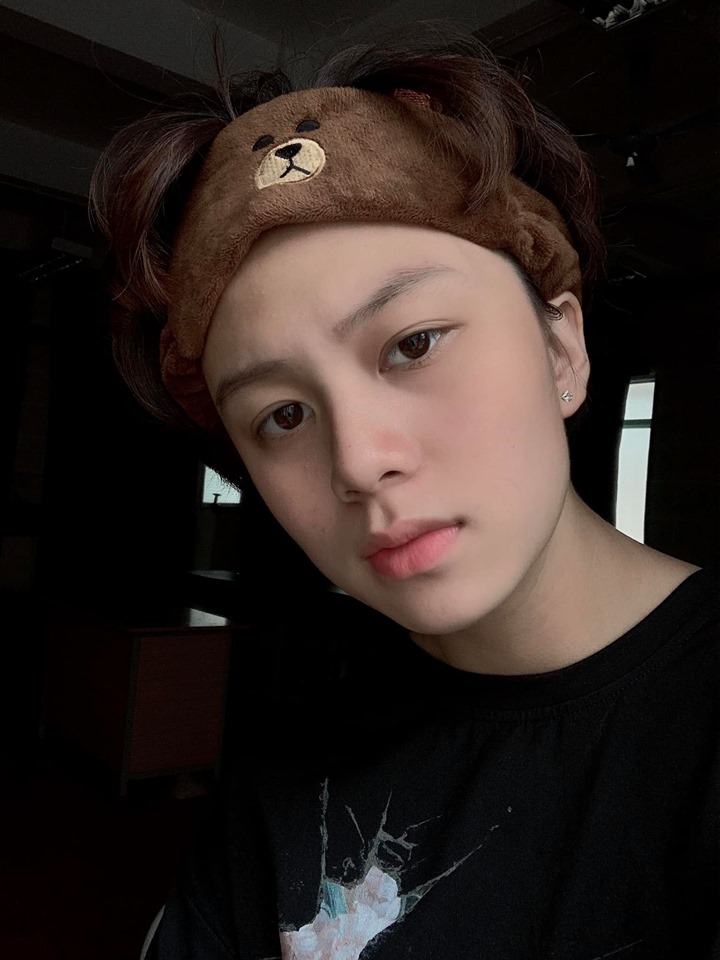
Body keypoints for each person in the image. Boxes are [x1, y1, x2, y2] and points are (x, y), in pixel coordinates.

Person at [90, 30, 718, 960]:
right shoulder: (289, 767)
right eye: (283, 415)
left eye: (413, 344)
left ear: (562, 349)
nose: (358, 461)